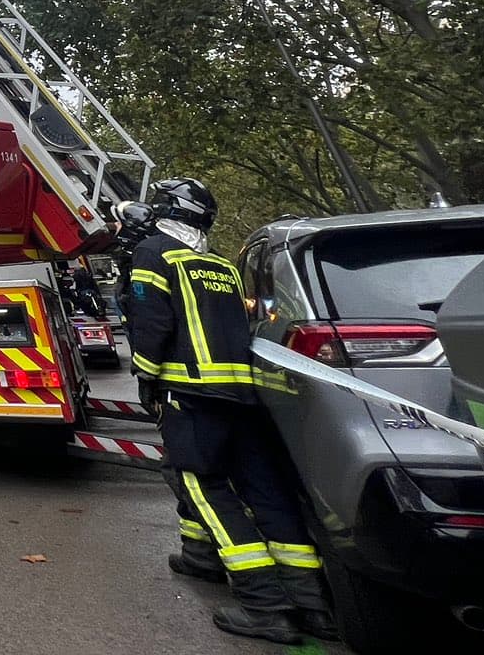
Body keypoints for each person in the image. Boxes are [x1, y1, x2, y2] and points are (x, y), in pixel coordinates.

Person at [124, 179, 336, 646]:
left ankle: (264, 605)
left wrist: (146, 377)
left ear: (163, 210)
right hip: (242, 396)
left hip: (191, 392)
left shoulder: (154, 253)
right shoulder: (220, 265)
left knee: (205, 488)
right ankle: (314, 605)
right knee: (265, 492)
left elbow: (151, 322)